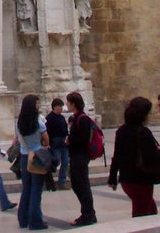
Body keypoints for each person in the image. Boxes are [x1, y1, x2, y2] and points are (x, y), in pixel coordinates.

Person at [108, 96, 160, 217]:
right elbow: (151, 157)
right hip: (140, 180)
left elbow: (116, 155)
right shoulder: (143, 132)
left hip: (127, 180)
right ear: (143, 115)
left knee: (150, 208)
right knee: (142, 213)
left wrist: (112, 178)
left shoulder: (121, 131)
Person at [16, 93, 49, 231]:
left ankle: (23, 219)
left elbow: (19, 139)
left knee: (26, 189)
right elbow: (46, 140)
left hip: (24, 156)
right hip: (36, 157)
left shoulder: (19, 123)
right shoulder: (38, 123)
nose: (38, 105)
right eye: (37, 103)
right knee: (36, 190)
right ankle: (35, 221)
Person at [66, 90, 97, 226]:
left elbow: (83, 139)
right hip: (76, 156)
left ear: (73, 104)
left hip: (81, 156)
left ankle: (89, 214)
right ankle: (87, 213)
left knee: (82, 185)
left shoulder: (82, 119)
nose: (66, 104)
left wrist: (70, 140)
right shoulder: (76, 118)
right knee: (78, 185)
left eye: (68, 102)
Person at [46, 98, 69, 189]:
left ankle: (62, 182)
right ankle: (49, 179)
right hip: (55, 143)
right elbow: (47, 131)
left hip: (63, 142)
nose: (61, 108)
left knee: (65, 161)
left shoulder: (62, 117)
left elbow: (65, 129)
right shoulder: (49, 118)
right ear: (55, 107)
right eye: (60, 106)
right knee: (56, 160)